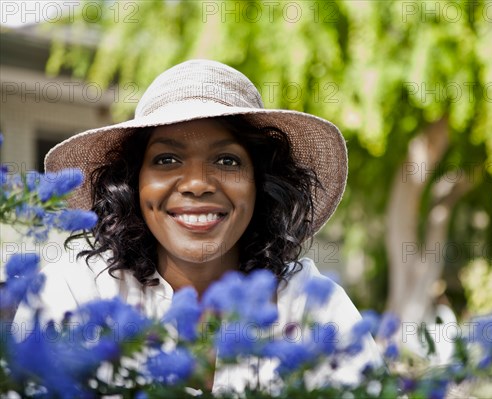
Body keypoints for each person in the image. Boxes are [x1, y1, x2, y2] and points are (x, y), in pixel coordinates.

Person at [13, 60, 382, 392]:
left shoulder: (312, 304)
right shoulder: (76, 291)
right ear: (133, 182)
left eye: (227, 160)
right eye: (167, 158)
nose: (196, 183)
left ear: (261, 183)